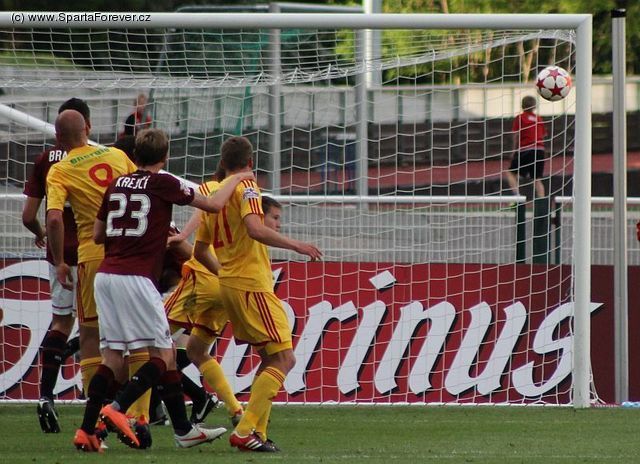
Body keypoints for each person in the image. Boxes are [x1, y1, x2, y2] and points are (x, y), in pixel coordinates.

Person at [73, 129, 255, 452]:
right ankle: (117, 408)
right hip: (137, 278)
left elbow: (98, 235)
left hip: (106, 277)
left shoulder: (116, 184)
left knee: (113, 356)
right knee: (165, 353)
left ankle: (89, 431)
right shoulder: (164, 182)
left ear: (134, 156)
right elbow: (213, 204)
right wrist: (237, 178)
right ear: (166, 157)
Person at [193, 136, 321, 452]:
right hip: (251, 284)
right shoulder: (248, 188)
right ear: (250, 163)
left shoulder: (211, 194)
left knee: (270, 358)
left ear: (223, 163)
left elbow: (199, 250)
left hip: (231, 284)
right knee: (285, 358)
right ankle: (245, 430)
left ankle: (256, 433)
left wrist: (225, 274)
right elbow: (254, 228)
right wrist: (296, 245)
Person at [45, 110, 137, 411]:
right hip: (131, 253)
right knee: (134, 336)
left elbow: (54, 219)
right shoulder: (117, 156)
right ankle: (132, 411)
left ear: (58, 137)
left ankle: (95, 409)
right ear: (89, 126)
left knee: (90, 335)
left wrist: (60, 261)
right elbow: (143, 187)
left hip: (93, 256)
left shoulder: (59, 170)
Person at [22, 97, 87, 433]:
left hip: (59, 255)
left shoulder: (45, 160)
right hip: (92, 253)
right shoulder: (100, 158)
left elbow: (28, 216)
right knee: (98, 327)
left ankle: (46, 395)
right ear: (87, 126)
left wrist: (42, 234)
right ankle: (105, 405)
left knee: (61, 322)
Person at [164, 166, 244, 427]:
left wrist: (182, 236)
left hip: (203, 278)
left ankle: (137, 416)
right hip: (229, 281)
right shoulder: (247, 198)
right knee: (197, 351)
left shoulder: (212, 189)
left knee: (150, 340)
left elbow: (202, 216)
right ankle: (235, 409)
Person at [505, 95, 547, 198]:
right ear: (534, 106)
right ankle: (542, 203)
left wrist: (513, 151)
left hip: (526, 149)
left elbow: (515, 135)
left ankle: (517, 197)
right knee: (537, 179)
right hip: (539, 150)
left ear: (522, 106)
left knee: (510, 173)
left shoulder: (520, 118)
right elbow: (543, 135)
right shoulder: (538, 119)